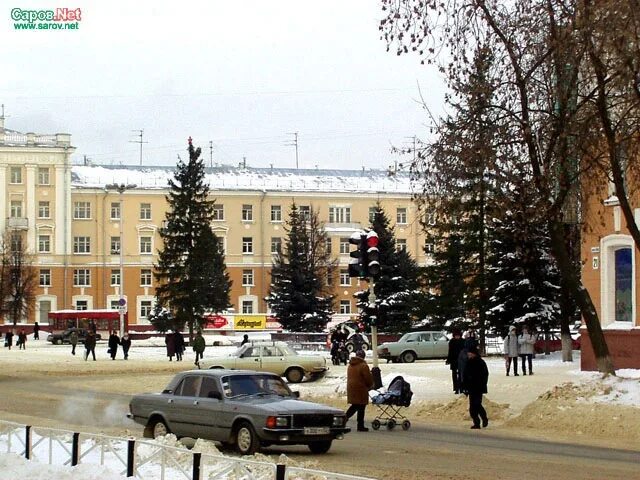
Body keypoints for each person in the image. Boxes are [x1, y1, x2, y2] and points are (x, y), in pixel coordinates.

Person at [345, 349, 374, 432]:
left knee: (355, 405)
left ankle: (345, 419)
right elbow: (368, 378)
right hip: (360, 388)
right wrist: (370, 385)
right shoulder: (363, 365)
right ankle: (359, 425)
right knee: (361, 406)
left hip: (351, 388)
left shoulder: (351, 365)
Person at [463, 344, 489, 429]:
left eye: (470, 353)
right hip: (471, 388)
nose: (469, 355)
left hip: (478, 387)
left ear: (474, 354)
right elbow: (465, 375)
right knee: (472, 408)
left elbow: (485, 375)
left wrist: (482, 384)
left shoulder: (480, 362)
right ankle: (476, 423)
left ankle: (484, 418)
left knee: (477, 404)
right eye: (468, 353)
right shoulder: (468, 362)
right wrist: (465, 387)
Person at [446, 329, 465, 394]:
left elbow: (464, 351)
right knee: (454, 375)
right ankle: (456, 388)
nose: (457, 337)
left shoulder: (463, 341)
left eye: (458, 336)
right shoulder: (451, 342)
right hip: (454, 360)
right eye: (456, 336)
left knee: (461, 374)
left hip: (461, 360)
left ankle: (462, 388)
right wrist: (448, 359)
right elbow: (450, 352)